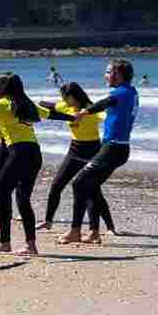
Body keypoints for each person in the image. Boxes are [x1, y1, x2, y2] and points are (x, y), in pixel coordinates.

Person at [0, 72, 60, 257]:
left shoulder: (2, 102)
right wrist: (74, 117)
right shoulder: (26, 103)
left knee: (1, 195)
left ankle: (4, 242)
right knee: (22, 198)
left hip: (18, 152)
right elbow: (52, 115)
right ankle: (31, 245)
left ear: (3, 87)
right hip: (34, 152)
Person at [59, 58, 140, 246]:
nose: (105, 75)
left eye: (108, 71)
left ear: (117, 74)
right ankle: (94, 232)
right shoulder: (130, 92)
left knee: (79, 184)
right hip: (116, 147)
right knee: (91, 186)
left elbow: (105, 102)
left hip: (114, 148)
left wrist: (84, 112)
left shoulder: (122, 93)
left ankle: (75, 231)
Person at [41, 81, 117, 234]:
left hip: (92, 150)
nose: (64, 100)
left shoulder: (90, 110)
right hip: (74, 150)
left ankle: (109, 227)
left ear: (74, 96)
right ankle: (47, 221)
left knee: (93, 191)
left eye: (65, 97)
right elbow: (47, 105)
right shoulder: (65, 106)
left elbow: (107, 117)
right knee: (57, 184)